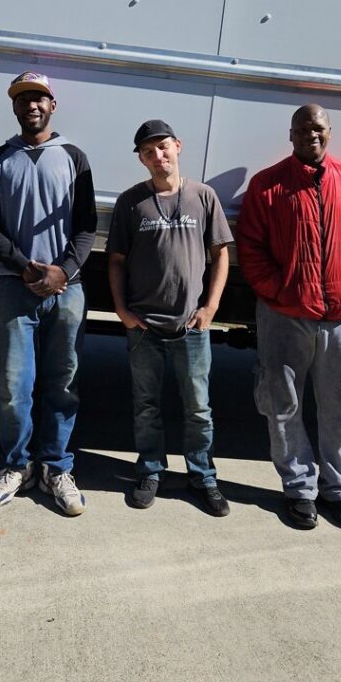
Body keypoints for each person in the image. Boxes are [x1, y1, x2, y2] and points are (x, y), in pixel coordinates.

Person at [236, 104, 341, 530]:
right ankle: (299, 489)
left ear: (329, 133)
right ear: (291, 135)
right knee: (283, 404)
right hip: (284, 315)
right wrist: (279, 292)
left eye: (317, 128)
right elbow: (251, 250)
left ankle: (337, 490)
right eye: (302, 129)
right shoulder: (268, 186)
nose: (310, 135)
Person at [0, 70, 96, 516]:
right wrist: (25, 266)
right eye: (23, 99)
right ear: (14, 107)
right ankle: (16, 466)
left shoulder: (72, 156)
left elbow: (86, 226)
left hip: (68, 289)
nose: (31, 105)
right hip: (15, 286)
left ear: (52, 105)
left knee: (63, 382)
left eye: (39, 98)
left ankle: (56, 467)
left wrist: (62, 271)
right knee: (13, 385)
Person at [107, 119, 233, 513]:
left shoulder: (203, 196)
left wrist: (210, 308)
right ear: (142, 160)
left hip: (190, 325)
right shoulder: (131, 202)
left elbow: (221, 254)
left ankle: (202, 475)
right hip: (144, 326)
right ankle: (150, 470)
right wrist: (122, 311)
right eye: (148, 151)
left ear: (178, 146)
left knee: (198, 406)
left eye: (163, 147)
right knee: (147, 405)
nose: (157, 155)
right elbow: (115, 261)